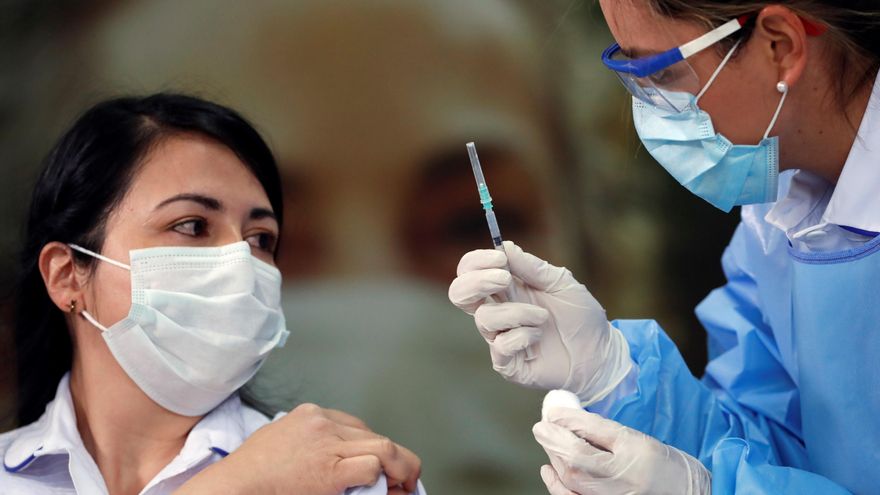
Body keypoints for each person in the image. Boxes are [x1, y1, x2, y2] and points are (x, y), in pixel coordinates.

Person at [450, 1, 880, 494]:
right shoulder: (781, 219)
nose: (649, 109)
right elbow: (771, 443)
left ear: (780, 45)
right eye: (628, 71)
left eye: (661, 72)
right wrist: (613, 378)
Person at [0, 93, 424, 495]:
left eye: (261, 238)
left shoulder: (344, 476)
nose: (241, 262)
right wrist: (238, 485)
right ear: (66, 276)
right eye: (192, 225)